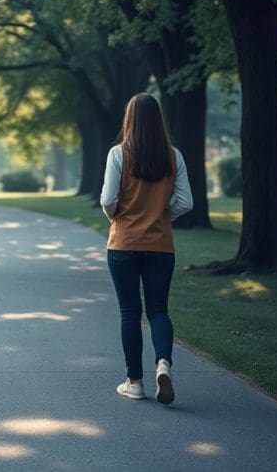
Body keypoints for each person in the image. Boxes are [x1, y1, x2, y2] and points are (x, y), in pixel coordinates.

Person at [100, 93, 193, 405]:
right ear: (158, 121)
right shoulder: (173, 156)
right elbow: (186, 202)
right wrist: (164, 217)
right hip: (160, 246)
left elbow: (107, 199)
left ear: (130, 119)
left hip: (123, 244)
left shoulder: (118, 154)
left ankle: (135, 382)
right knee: (158, 311)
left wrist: (118, 218)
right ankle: (163, 364)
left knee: (129, 312)